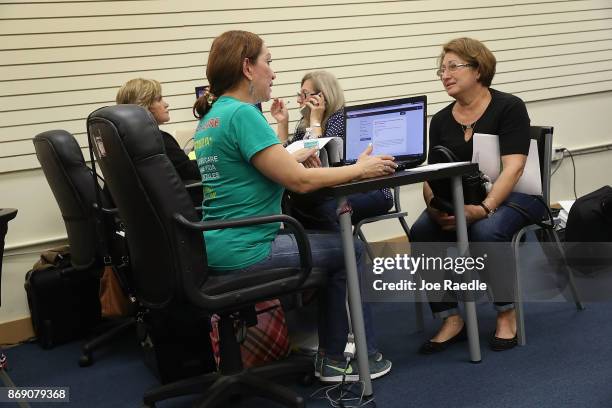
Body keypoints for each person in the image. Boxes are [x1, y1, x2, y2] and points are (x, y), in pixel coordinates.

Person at [193, 30, 396, 382]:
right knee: (349, 248)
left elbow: (255, 166)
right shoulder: (243, 114)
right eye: (268, 62)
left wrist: (293, 154)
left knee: (328, 242)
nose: (273, 72)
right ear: (247, 68)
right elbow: (299, 181)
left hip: (217, 245)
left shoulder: (211, 118)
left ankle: (322, 345)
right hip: (250, 249)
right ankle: (336, 357)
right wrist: (360, 169)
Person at [410, 37, 546, 353]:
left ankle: (506, 313)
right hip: (464, 198)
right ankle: (450, 317)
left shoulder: (509, 107)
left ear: (478, 69)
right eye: (441, 69)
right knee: (421, 231)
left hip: (516, 194)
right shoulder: (441, 120)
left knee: (486, 230)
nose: (445, 74)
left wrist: (484, 209)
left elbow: (514, 168)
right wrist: (433, 206)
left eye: (453, 66)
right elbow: (431, 175)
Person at [270, 71, 394, 231]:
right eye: (299, 94)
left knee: (323, 212)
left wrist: (315, 121)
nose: (298, 100)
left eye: (304, 94)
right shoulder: (304, 125)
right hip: (332, 193)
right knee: (292, 205)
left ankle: (342, 253)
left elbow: (316, 161)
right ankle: (311, 252)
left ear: (322, 97)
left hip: (368, 190)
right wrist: (282, 124)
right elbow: (285, 161)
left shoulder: (340, 119)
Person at [116, 78, 203, 205]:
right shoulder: (158, 140)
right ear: (144, 106)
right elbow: (192, 172)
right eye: (158, 99)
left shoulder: (121, 142)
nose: (166, 104)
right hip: (185, 213)